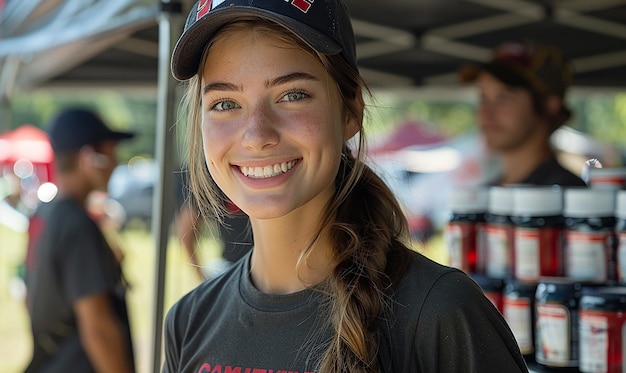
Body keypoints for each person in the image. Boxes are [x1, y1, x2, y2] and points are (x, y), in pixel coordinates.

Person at [163, 1, 528, 372]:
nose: (257, 136)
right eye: (225, 103)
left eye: (293, 95)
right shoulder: (188, 321)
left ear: (351, 111)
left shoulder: (439, 312)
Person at [23, 108, 135, 373]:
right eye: (110, 152)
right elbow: (98, 329)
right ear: (90, 158)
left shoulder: (45, 213)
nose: (116, 162)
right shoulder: (77, 226)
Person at [459, 40, 587, 187]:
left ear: (549, 105)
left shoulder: (564, 193)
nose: (487, 113)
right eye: (483, 99)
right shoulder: (488, 191)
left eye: (504, 98)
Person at [174, 169, 252, 280]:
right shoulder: (211, 177)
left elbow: (185, 229)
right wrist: (202, 278)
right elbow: (186, 229)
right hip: (233, 270)